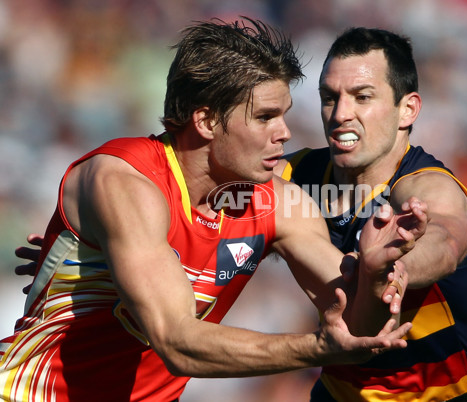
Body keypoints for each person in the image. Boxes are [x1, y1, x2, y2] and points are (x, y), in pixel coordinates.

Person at [0, 18, 428, 401]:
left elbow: (357, 324)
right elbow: (177, 342)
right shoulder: (124, 184)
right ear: (206, 121)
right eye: (264, 117)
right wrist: (315, 348)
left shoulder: (278, 203)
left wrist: (372, 274)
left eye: (285, 115)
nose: (285, 133)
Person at [275, 28, 467, 401]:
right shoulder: (296, 177)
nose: (340, 114)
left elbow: (447, 240)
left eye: (362, 97)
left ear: (408, 109)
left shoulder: (428, 186)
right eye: (329, 98)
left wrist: (394, 267)